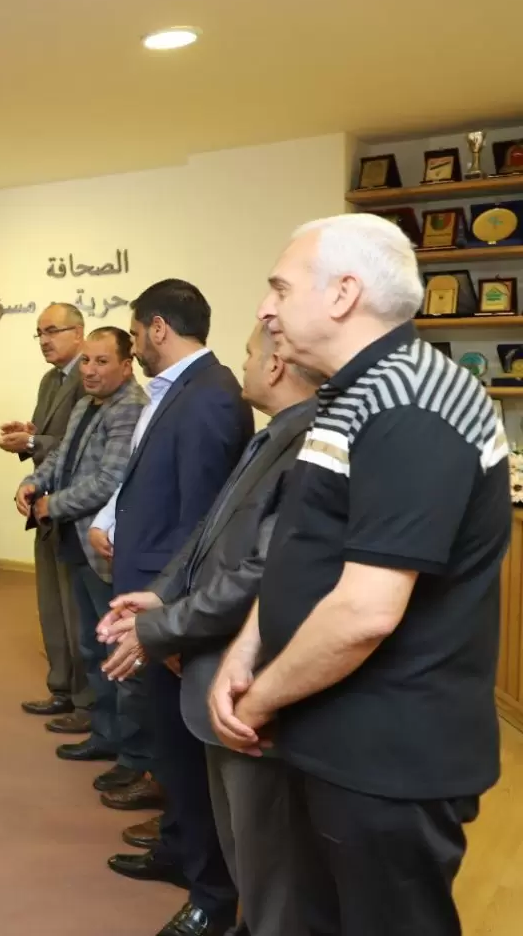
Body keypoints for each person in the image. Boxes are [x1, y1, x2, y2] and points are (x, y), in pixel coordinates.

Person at [212, 214, 510, 936]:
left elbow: (365, 611)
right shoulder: (354, 389)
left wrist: (257, 702)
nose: (266, 308)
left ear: (344, 293)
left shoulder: (411, 403)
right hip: (336, 733)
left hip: (388, 755)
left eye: (281, 287)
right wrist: (247, 650)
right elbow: (306, 547)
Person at [97, 322, 321, 936]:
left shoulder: (310, 442)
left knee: (264, 854)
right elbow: (210, 533)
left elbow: (261, 571)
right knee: (237, 836)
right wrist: (162, 595)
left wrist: (165, 628)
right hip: (213, 655)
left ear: (276, 366)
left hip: (246, 668)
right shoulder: (275, 432)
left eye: (249, 354)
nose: (241, 364)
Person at [89, 280, 253, 936]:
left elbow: (204, 526)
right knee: (166, 739)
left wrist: (176, 622)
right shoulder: (181, 389)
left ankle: (210, 891)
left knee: (186, 756)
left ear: (158, 327)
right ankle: (177, 848)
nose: (132, 346)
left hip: (172, 609)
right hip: (154, 597)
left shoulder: (209, 396)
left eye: (133, 334)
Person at [16, 327, 146, 776]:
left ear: (126, 366)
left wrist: (53, 504)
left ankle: (131, 755)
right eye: (86, 360)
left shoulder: (130, 408)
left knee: (116, 652)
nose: (89, 370)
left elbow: (110, 480)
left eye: (101, 361)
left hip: (103, 545)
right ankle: (103, 734)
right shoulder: (87, 403)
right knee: (91, 645)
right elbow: (61, 459)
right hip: (74, 539)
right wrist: (33, 482)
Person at [0, 302, 88, 720]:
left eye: (52, 331)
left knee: (77, 610)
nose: (44, 341)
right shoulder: (50, 380)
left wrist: (34, 443)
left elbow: (82, 448)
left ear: (78, 332)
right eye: (40, 333)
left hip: (77, 506)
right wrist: (28, 435)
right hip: (44, 504)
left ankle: (86, 700)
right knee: (51, 606)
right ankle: (61, 687)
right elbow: (50, 438)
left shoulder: (91, 378)